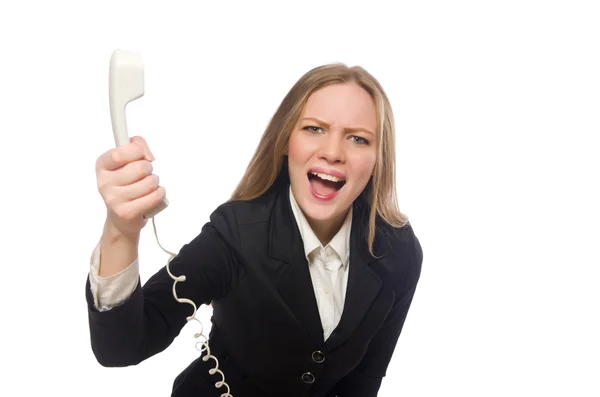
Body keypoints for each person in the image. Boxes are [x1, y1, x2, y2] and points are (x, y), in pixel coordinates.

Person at [85, 63, 423, 397]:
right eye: (314, 129)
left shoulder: (399, 252)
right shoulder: (235, 234)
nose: (333, 152)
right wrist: (121, 230)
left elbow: (364, 381)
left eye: (358, 138)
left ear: (378, 159)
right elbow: (121, 348)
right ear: (286, 141)